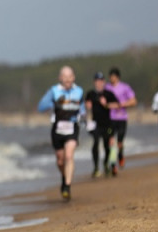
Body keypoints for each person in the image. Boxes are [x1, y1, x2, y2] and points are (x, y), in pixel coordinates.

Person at [37, 66, 86, 200]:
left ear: (73, 77)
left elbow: (82, 110)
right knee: (60, 160)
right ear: (60, 78)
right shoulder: (54, 91)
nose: (67, 79)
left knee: (69, 156)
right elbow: (40, 107)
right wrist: (53, 104)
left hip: (72, 127)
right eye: (64, 77)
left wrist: (85, 118)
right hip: (57, 128)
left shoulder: (79, 91)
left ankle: (67, 186)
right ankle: (64, 177)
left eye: (70, 76)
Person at [84, 71, 119, 178]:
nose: (98, 83)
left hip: (107, 124)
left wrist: (106, 104)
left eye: (100, 81)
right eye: (96, 81)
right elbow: (85, 105)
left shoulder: (108, 94)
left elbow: (117, 105)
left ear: (103, 82)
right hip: (95, 124)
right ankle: (95, 167)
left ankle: (106, 164)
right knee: (95, 142)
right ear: (94, 82)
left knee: (107, 144)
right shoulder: (91, 94)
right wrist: (87, 106)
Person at [104, 67, 136, 171]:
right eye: (110, 77)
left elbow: (133, 101)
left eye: (113, 77)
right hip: (110, 119)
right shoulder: (106, 88)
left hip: (122, 118)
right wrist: (110, 105)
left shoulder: (125, 87)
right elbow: (104, 104)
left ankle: (121, 155)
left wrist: (122, 104)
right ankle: (113, 164)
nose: (111, 79)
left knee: (119, 143)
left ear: (117, 77)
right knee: (111, 141)